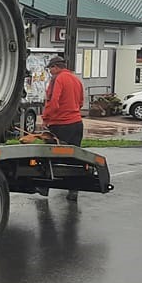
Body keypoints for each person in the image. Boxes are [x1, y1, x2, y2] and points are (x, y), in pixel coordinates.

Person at [41, 55, 85, 200]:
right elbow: (80, 103)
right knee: (73, 159)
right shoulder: (76, 79)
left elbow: (53, 101)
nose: (50, 72)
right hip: (76, 123)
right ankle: (73, 191)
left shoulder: (57, 79)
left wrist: (46, 119)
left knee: (49, 156)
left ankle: (44, 187)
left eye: (50, 69)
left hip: (60, 124)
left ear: (56, 67)